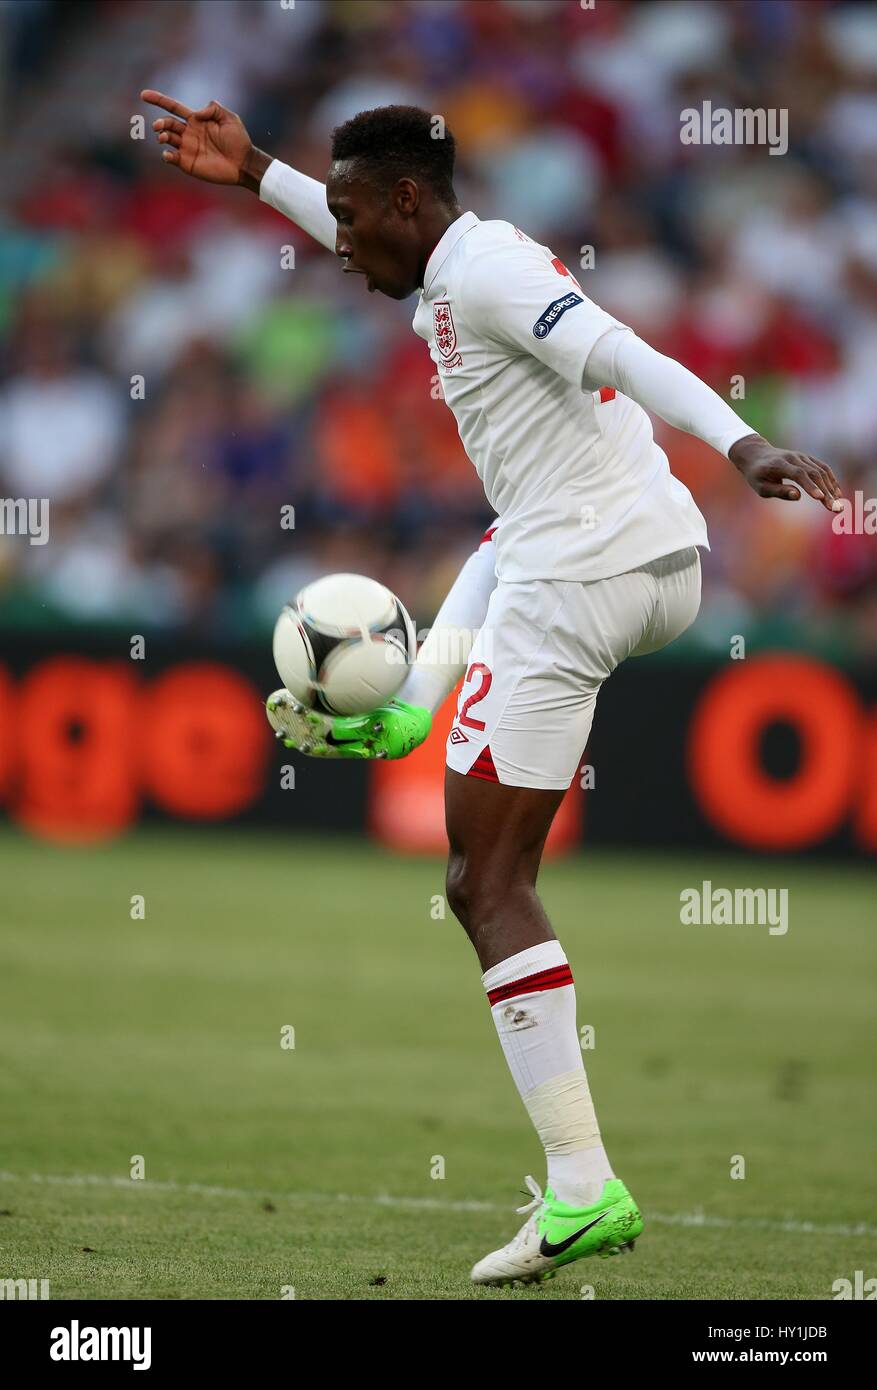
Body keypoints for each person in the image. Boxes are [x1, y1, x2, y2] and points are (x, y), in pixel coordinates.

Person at [143, 91, 843, 1286]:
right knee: (500, 554)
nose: (343, 239)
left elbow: (626, 349)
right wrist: (258, 169)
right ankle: (415, 701)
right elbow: (514, 500)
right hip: (633, 555)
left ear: (409, 203)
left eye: (357, 216)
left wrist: (742, 446)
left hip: (586, 571)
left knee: (484, 882)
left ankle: (585, 1188)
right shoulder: (446, 265)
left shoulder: (489, 277)